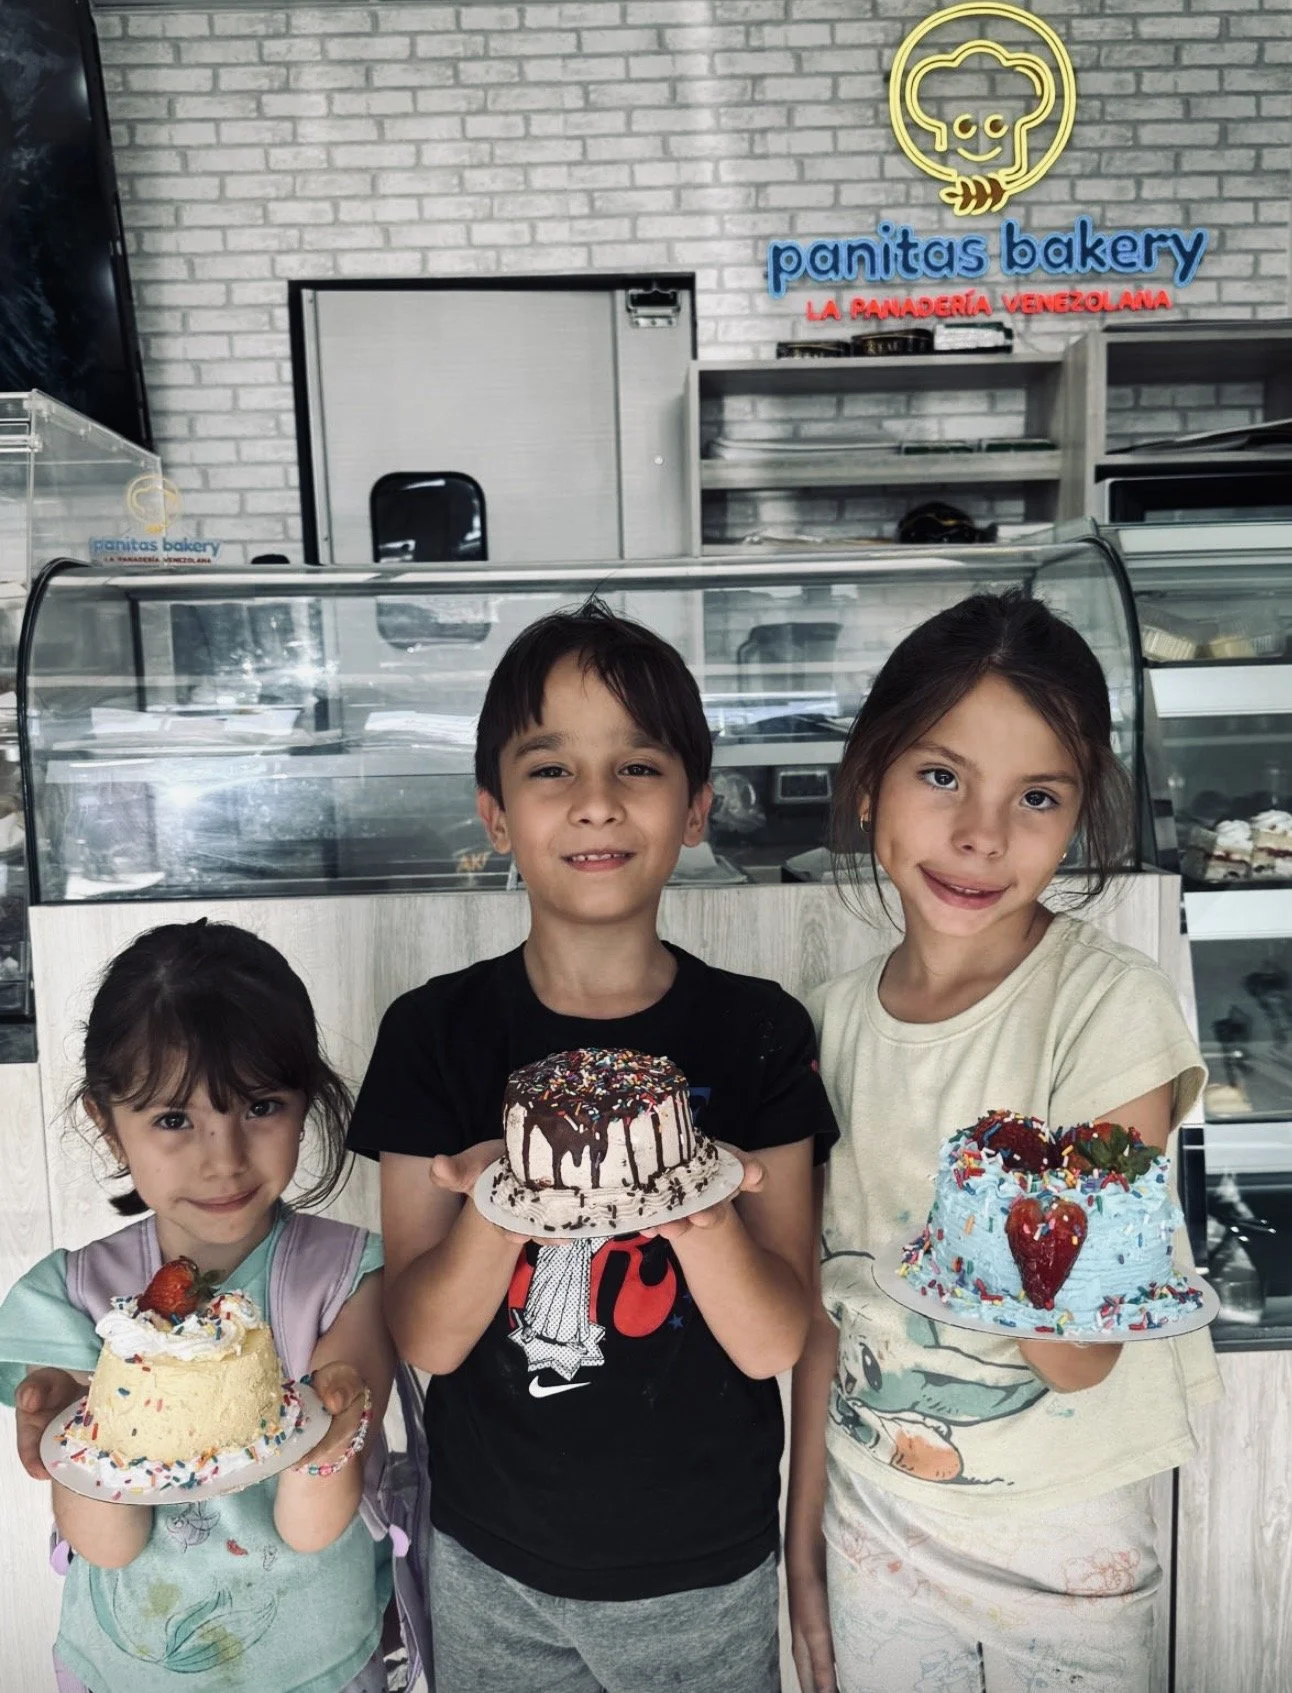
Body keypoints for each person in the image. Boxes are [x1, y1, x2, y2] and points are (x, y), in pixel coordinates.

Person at [348, 598, 838, 1693]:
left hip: (703, 1569)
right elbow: (421, 1338)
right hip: (491, 1564)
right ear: (493, 814)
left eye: (639, 767)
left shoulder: (757, 1031)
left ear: (697, 807)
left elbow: (774, 1341)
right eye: (549, 769)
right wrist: (500, 1202)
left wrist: (692, 1198)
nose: (596, 803)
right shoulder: (435, 1034)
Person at [786, 589, 1222, 1693]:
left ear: (1077, 818)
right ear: (866, 780)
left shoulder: (1106, 1014)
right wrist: (800, 1544)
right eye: (940, 776)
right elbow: (822, 1314)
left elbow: (1080, 1355)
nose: (980, 835)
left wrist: (987, 1248)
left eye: (1036, 796)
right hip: (873, 1505)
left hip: (1062, 1534)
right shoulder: (824, 1023)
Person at [1, 920, 397, 1693]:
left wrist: (334, 1429)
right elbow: (109, 1546)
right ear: (105, 1124)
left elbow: (311, 1525)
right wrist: (75, 1434)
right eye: (174, 1119)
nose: (224, 1158)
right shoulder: (76, 1298)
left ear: (306, 1100)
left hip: (314, 1665)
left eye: (260, 1105)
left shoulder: (347, 1276)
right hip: (128, 1669)